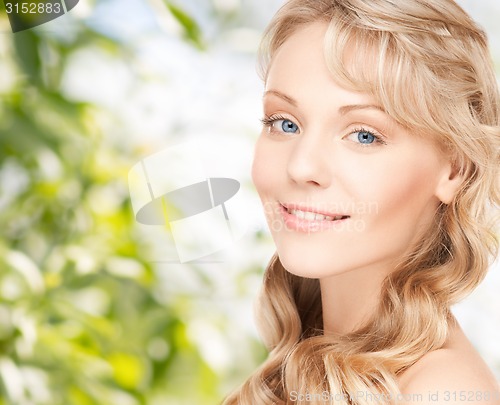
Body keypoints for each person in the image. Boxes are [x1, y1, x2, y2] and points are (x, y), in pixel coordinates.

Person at [224, 0, 500, 403]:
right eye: (285, 123)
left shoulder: (443, 394)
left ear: (454, 169)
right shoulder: (311, 348)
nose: (302, 167)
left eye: (364, 135)